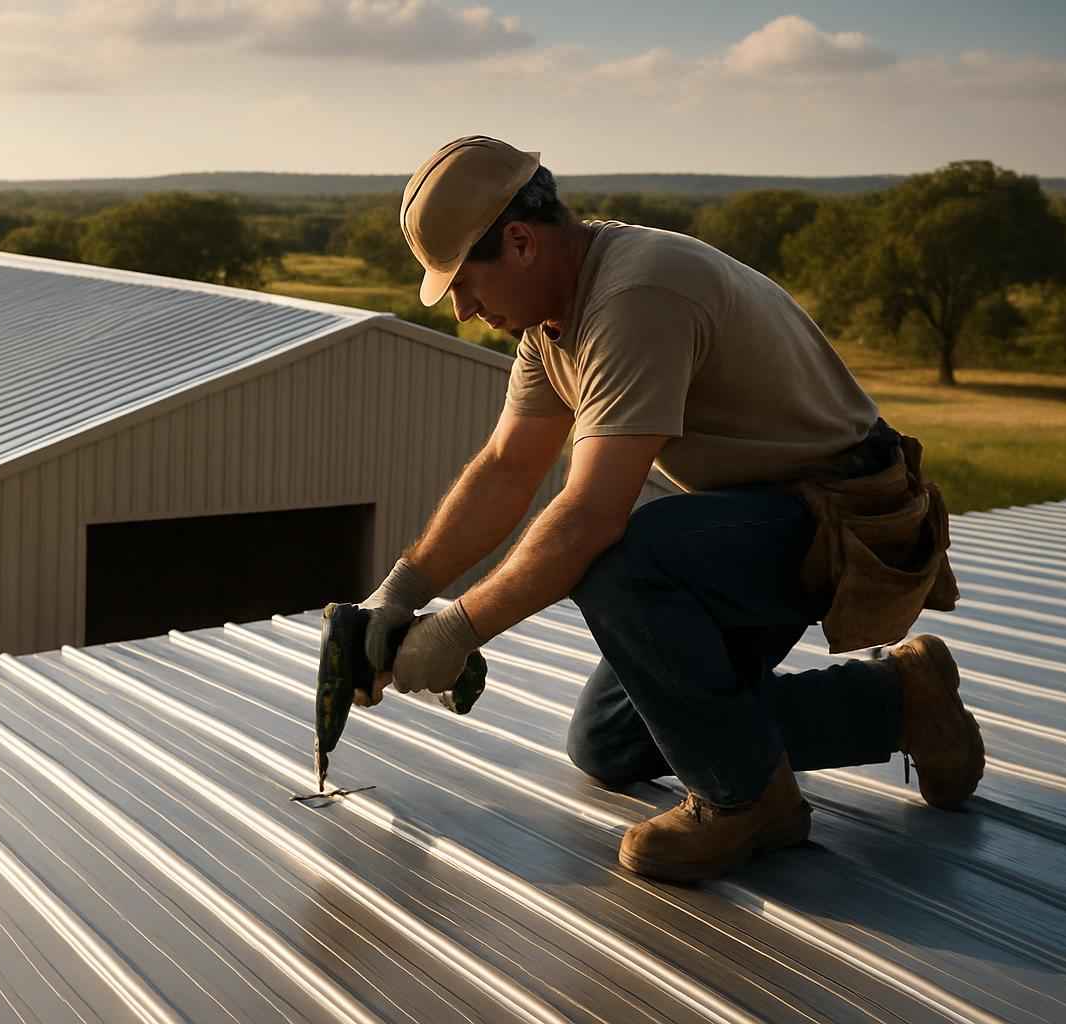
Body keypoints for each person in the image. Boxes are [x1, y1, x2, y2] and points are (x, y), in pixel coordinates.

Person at [354, 135, 984, 883]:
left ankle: (749, 802)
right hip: (767, 519)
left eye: (464, 281)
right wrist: (403, 590)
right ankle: (896, 700)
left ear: (520, 241)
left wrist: (459, 629)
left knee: (621, 558)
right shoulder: (552, 320)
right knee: (608, 745)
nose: (461, 307)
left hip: (845, 520)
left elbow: (589, 515)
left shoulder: (636, 295)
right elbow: (504, 470)